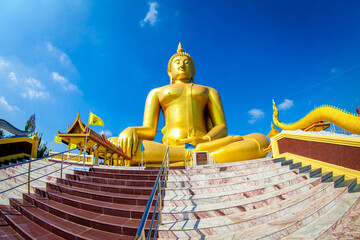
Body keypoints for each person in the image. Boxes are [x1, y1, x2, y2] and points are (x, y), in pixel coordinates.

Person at [111, 43, 268, 166]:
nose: (181, 65)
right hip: (170, 148)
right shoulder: (157, 92)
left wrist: (205, 140)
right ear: (169, 72)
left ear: (193, 71)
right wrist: (131, 130)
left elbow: (222, 128)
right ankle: (195, 157)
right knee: (115, 143)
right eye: (177, 62)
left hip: (205, 144)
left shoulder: (208, 91)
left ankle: (190, 158)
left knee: (260, 139)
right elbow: (150, 131)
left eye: (186, 62)